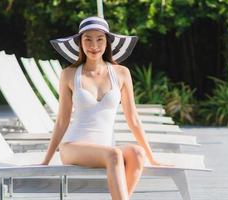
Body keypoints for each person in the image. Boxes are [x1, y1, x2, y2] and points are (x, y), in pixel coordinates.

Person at [42, 16, 172, 200]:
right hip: (73, 147)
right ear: (80, 42)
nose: (94, 45)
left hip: (106, 148)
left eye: (100, 39)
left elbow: (133, 119)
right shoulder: (69, 74)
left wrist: (153, 159)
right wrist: (46, 160)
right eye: (88, 39)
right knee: (114, 154)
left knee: (137, 153)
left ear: (107, 42)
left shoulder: (121, 73)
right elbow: (62, 120)